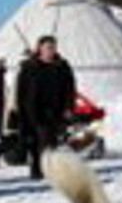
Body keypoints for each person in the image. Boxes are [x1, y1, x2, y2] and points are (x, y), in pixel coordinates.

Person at [13, 34, 77, 179]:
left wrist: (68, 107)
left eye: (53, 47)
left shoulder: (62, 66)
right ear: (40, 48)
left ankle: (46, 170)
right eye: (48, 47)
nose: (51, 50)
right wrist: (19, 109)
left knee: (49, 141)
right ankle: (37, 169)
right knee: (34, 141)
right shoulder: (29, 67)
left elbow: (70, 88)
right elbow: (21, 90)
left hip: (55, 110)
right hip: (32, 110)